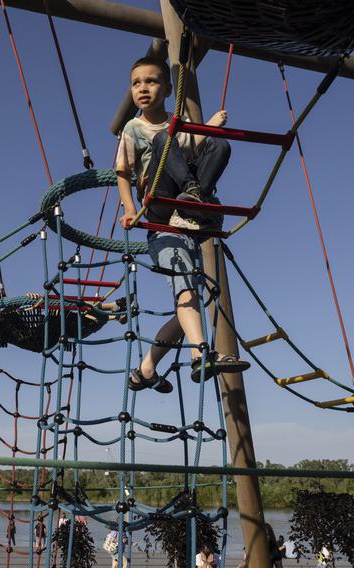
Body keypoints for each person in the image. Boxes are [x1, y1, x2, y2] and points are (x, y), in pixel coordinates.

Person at [115, 55, 249, 393]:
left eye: (151, 81)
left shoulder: (181, 119)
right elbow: (123, 173)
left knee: (219, 144)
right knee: (164, 140)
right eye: (136, 83)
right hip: (159, 206)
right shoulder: (134, 128)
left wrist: (209, 129)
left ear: (167, 89)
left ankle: (146, 367)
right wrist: (131, 209)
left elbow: (195, 148)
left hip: (185, 215)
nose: (143, 88)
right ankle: (200, 355)